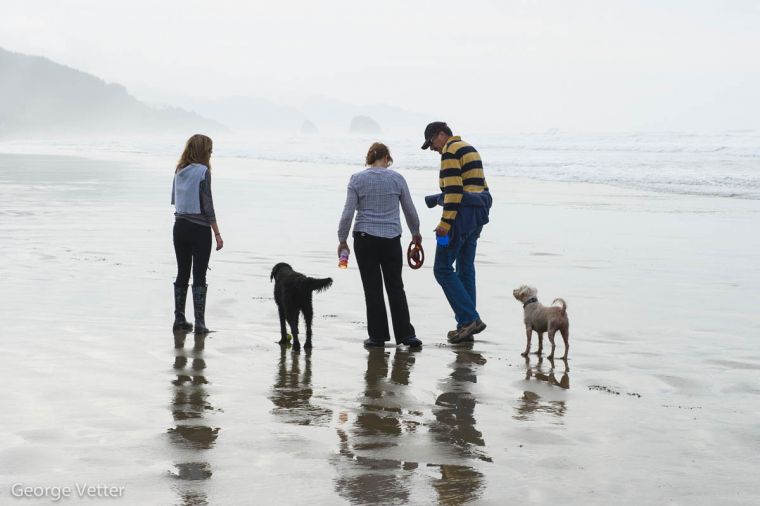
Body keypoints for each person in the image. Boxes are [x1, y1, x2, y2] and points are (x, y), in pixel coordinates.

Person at [337, 142, 423, 348]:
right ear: (386, 159)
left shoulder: (357, 179)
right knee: (396, 287)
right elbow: (410, 210)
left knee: (372, 288)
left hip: (364, 239)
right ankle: (406, 335)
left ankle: (377, 337)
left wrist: (342, 240)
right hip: (391, 239)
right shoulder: (397, 179)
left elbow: (348, 212)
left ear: (369, 158)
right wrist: (416, 233)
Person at [421, 122, 492, 344]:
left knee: (442, 269)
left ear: (441, 135)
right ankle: (466, 324)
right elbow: (481, 186)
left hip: (461, 216)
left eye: (432, 142)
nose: (433, 148)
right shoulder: (470, 148)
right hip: (478, 215)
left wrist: (445, 222)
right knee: (465, 268)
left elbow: (454, 190)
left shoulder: (450, 151)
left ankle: (469, 319)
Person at [171, 134, 223, 333]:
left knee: (182, 272)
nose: (211, 153)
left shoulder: (179, 170)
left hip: (179, 227)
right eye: (209, 150)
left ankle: (179, 319)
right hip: (199, 229)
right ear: (202, 151)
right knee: (199, 275)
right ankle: (200, 323)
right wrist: (217, 233)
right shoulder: (203, 172)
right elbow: (207, 204)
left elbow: (175, 200)